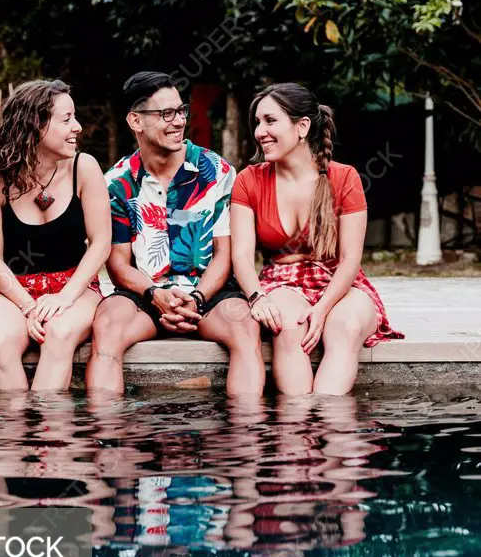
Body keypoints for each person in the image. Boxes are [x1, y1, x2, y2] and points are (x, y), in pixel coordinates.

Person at [85, 71, 265, 398]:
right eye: (165, 114)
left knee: (245, 326)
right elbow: (118, 263)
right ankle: (108, 441)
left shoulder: (217, 172)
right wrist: (155, 294)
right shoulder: (116, 182)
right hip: (147, 296)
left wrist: (195, 298)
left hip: (209, 297)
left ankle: (245, 439)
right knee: (107, 324)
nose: (178, 121)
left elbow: (225, 254)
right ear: (136, 121)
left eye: (181, 111)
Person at [230, 82, 403, 397]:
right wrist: (257, 297)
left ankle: (330, 428)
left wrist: (323, 309)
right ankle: (297, 436)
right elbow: (241, 256)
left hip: (338, 281)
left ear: (302, 126)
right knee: (288, 327)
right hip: (280, 281)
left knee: (345, 327)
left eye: (270, 121)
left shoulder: (344, 178)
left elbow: (351, 259)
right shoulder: (249, 180)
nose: (259, 131)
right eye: (257, 122)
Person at [0, 79, 111, 391]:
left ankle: (52, 435)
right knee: (1, 341)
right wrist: (27, 306)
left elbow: (101, 243)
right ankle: (15, 435)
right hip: (13, 289)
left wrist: (65, 297)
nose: (78, 127)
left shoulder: (84, 168)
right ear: (35, 125)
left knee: (57, 334)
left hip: (75, 285)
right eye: (67, 119)